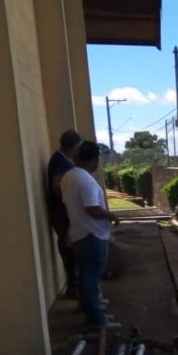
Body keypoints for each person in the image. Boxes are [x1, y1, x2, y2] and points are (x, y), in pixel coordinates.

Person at [60, 140, 120, 330]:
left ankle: (91, 312)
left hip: (80, 233)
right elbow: (91, 208)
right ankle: (98, 321)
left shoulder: (68, 176)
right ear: (93, 158)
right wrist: (110, 215)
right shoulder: (84, 179)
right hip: (91, 235)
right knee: (91, 278)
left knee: (86, 276)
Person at [47, 130, 81, 298]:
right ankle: (73, 285)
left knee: (70, 245)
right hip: (61, 212)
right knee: (68, 246)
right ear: (74, 146)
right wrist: (67, 202)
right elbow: (56, 185)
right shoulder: (59, 161)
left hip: (63, 211)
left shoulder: (62, 160)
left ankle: (74, 284)